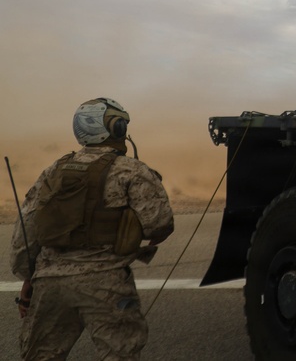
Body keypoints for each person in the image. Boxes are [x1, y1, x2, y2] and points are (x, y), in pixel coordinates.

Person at [9, 97, 175, 361]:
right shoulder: (131, 170)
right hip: (106, 283)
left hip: (49, 285)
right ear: (115, 127)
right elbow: (160, 223)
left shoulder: (53, 171)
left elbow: (25, 235)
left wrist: (28, 278)